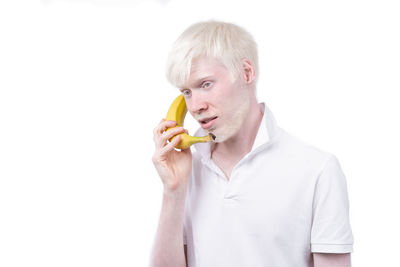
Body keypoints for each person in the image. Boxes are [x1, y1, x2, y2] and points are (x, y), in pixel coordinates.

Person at [150, 20, 354, 267]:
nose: (195, 107)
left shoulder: (317, 169)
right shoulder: (187, 169)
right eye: (186, 92)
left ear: (246, 73)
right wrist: (173, 190)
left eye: (205, 84)